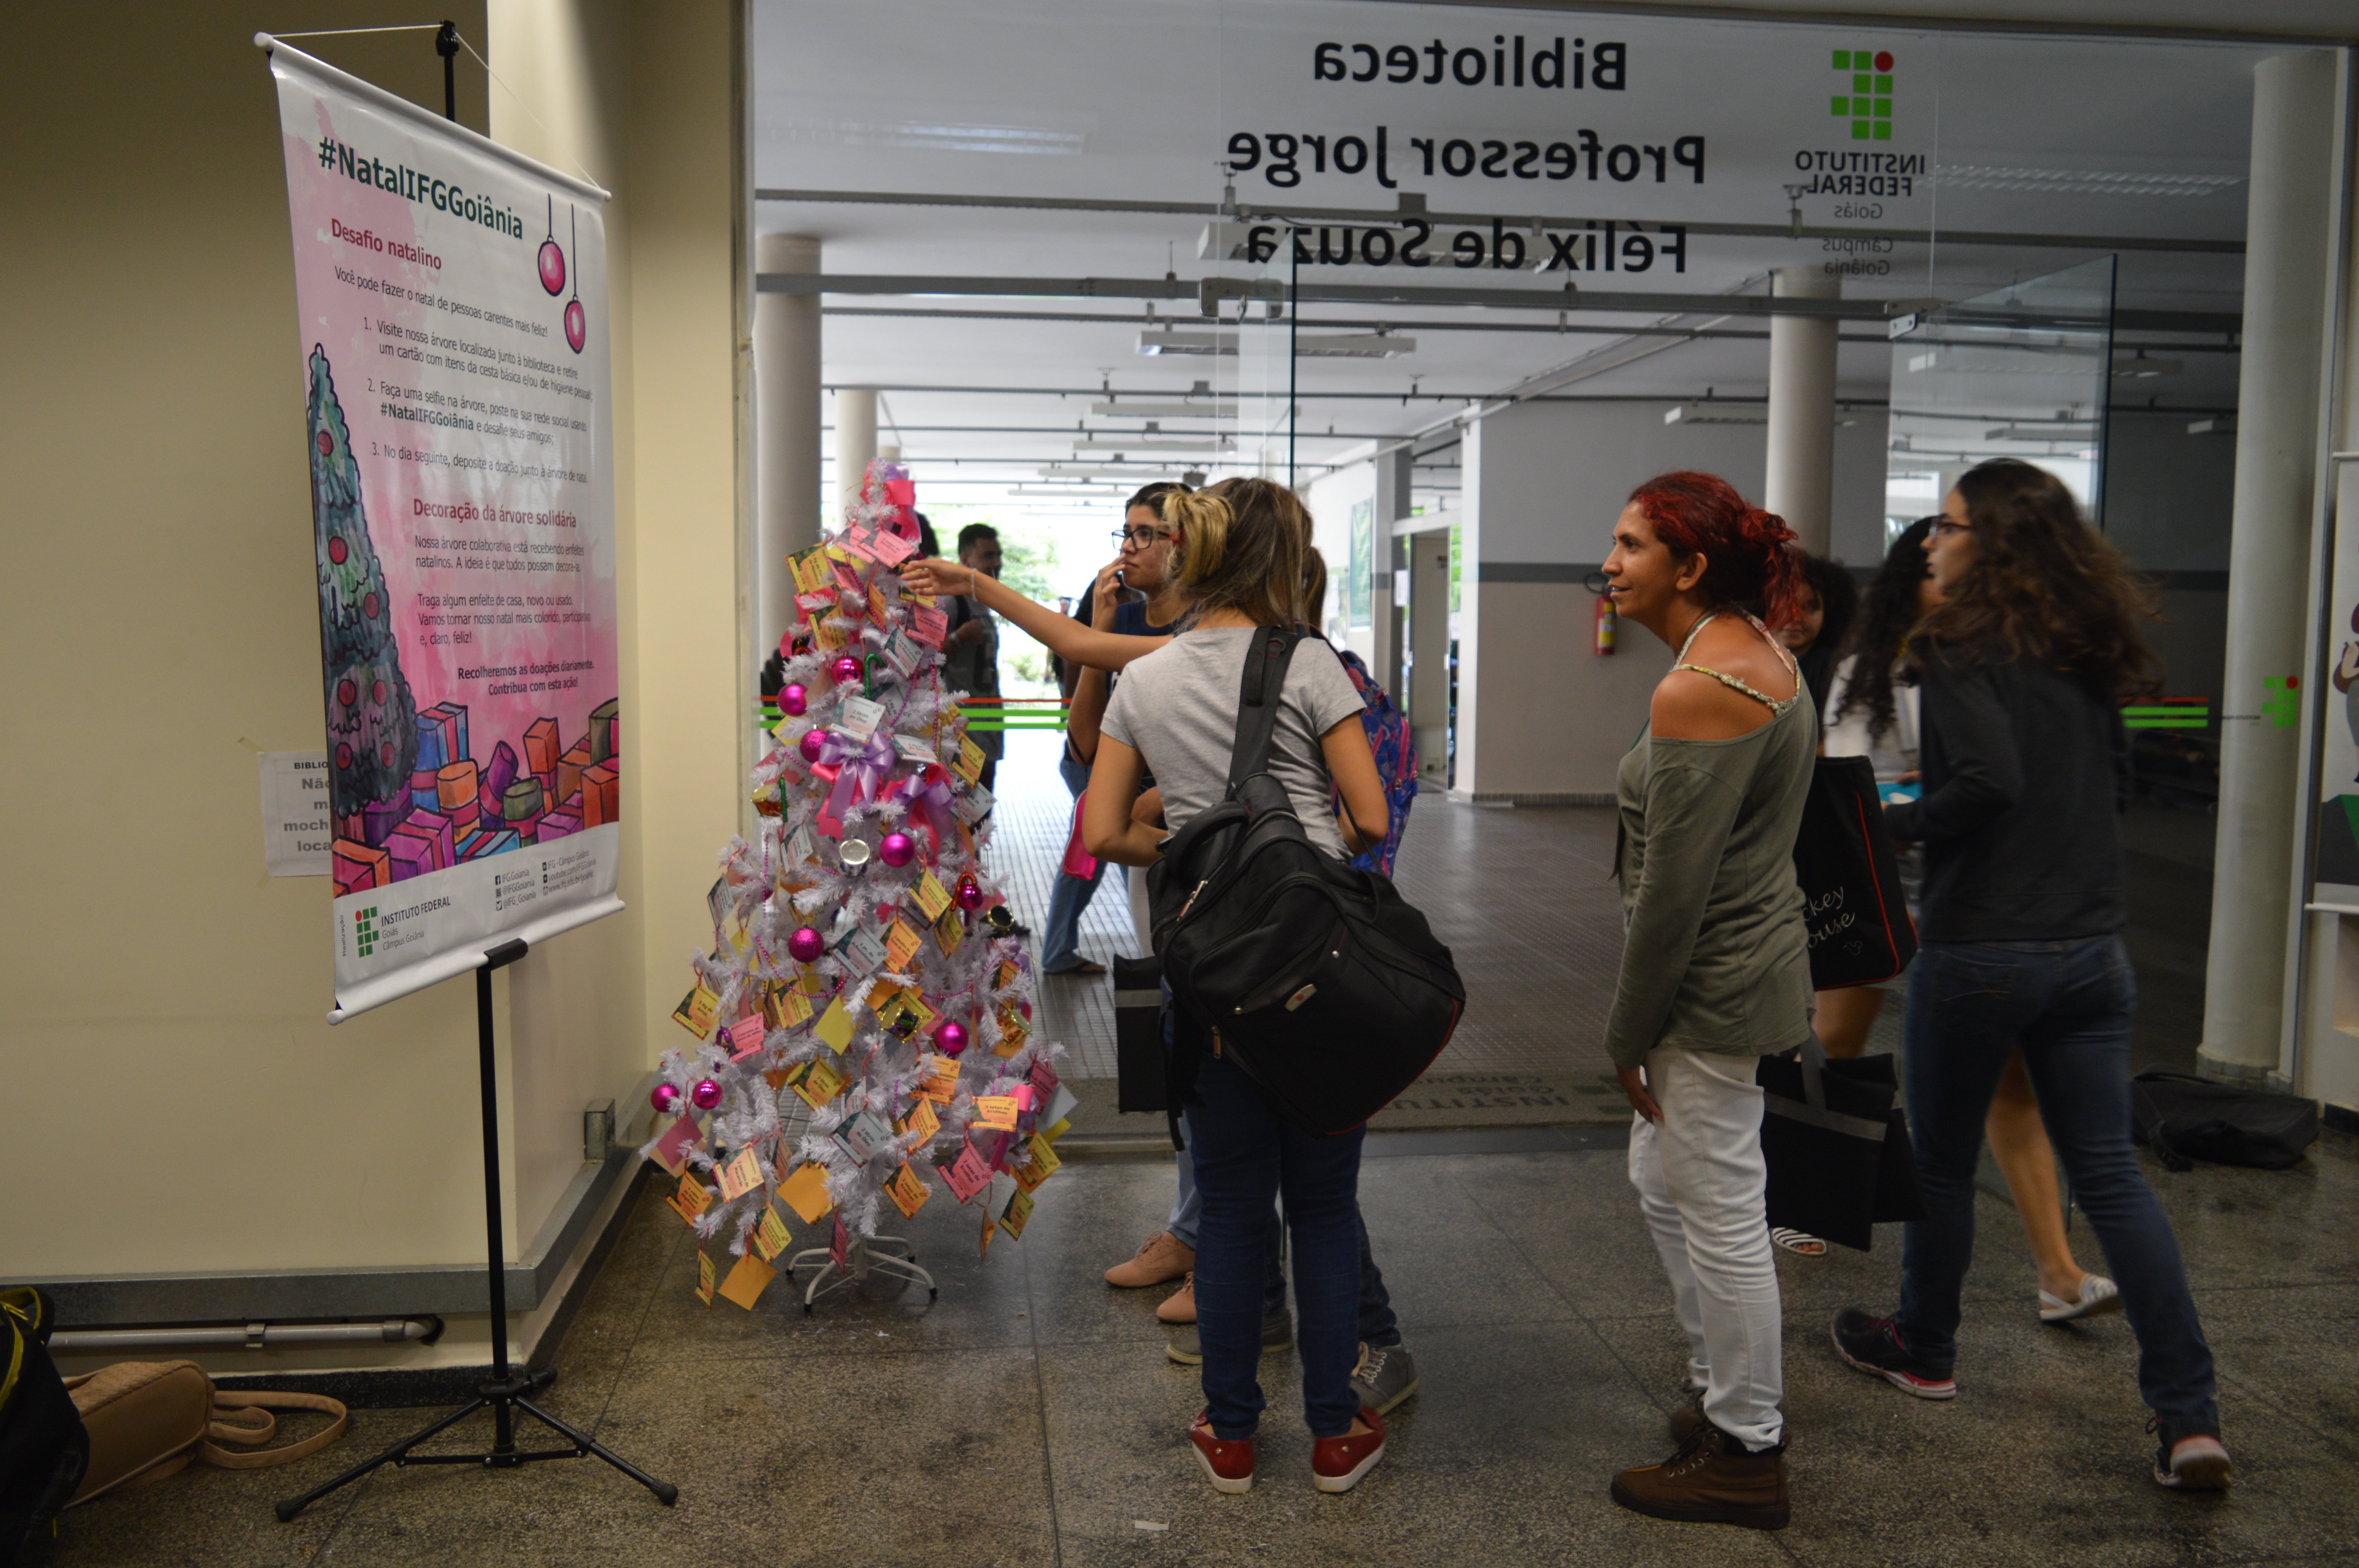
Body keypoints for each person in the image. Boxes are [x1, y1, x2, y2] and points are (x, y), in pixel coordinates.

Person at [1831, 459, 2232, 1493]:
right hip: (2094, 953)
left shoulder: (1961, 647)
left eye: (1951, 526)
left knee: (1946, 1153)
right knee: (2111, 1175)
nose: (1932, 541)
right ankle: (2189, 1418)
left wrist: (1882, 827)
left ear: (1993, 543)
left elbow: (1989, 785)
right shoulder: (2088, 650)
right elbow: (2113, 789)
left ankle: (1925, 1347)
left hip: (1985, 951)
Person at [1083, 480, 1395, 1495]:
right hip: (1315, 985)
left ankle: (1228, 1436)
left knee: (1227, 1211)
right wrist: (1308, 846)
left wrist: (1184, 838)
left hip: (1211, 985)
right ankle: (1336, 1436)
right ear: (1281, 561)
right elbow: (1373, 818)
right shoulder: (1309, 662)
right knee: (1326, 1210)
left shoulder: (1149, 679)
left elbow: (1101, 834)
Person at [1601, 470, 1813, 1532]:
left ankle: (1746, 1447)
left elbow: (1672, 898)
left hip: (1709, 985)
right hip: (1741, 966)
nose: (1611, 564)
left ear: (1690, 567)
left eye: (1633, 546)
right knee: (1663, 1177)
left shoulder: (1702, 689)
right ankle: (1718, 1391)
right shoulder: (1759, 654)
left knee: (1725, 1215)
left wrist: (1625, 1035)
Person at [1041, 481, 1193, 977]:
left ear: (1181, 542)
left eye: (1144, 533)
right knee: (1158, 959)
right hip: (1137, 824)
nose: (1127, 547)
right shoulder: (1122, 618)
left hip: (1189, 817)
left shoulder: (1208, 627)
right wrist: (1099, 631)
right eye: (1125, 532)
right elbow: (1085, 743)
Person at [941, 523, 1006, 795]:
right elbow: (924, 659)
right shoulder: (951, 602)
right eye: (988, 556)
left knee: (983, 805)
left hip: (988, 720)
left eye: (998, 555)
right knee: (963, 808)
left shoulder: (984, 601)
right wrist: (960, 637)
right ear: (966, 561)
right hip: (962, 726)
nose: (997, 563)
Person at [1780, 552, 1858, 715]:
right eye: (1785, 604)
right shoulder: (1745, 661)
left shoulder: (1835, 670)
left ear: (1828, 616)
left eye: (1810, 607)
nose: (1795, 617)